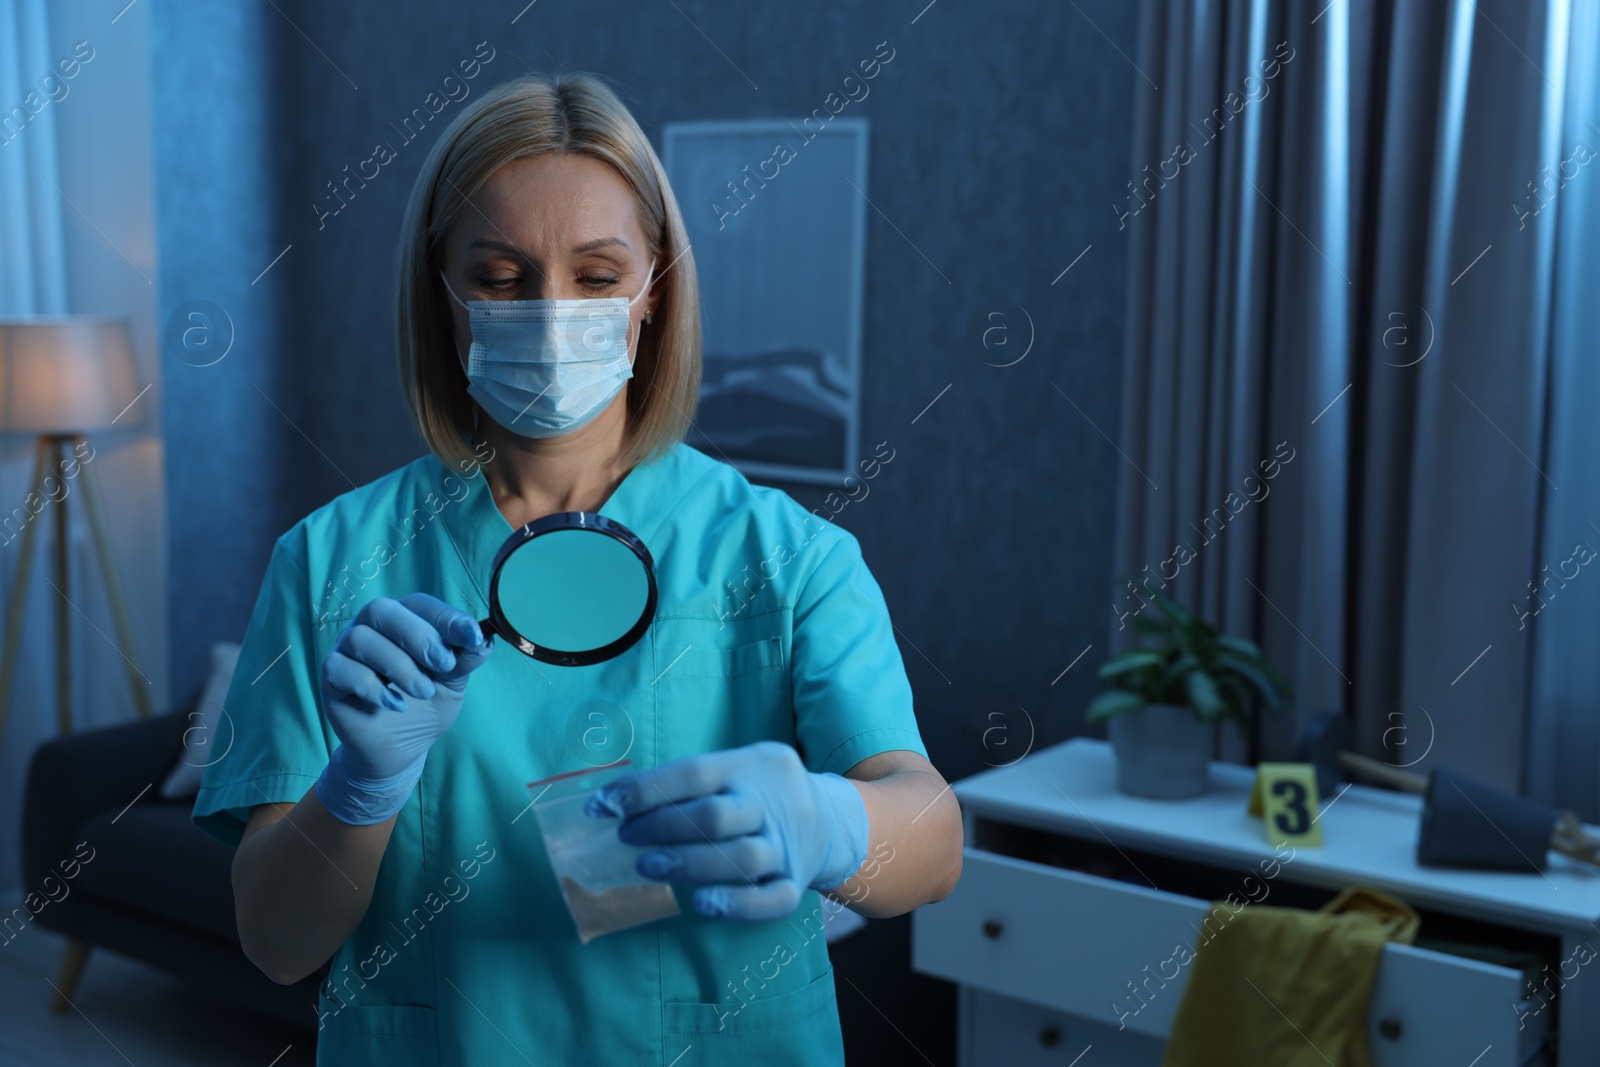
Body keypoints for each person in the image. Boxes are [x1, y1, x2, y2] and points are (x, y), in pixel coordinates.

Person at [192, 71, 962, 1066]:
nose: (551, 312)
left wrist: (829, 824)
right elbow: (277, 942)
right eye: (503, 277)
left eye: (598, 276)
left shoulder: (787, 555)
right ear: (444, 297)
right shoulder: (330, 561)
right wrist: (357, 786)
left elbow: (934, 845)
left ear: (654, 296)